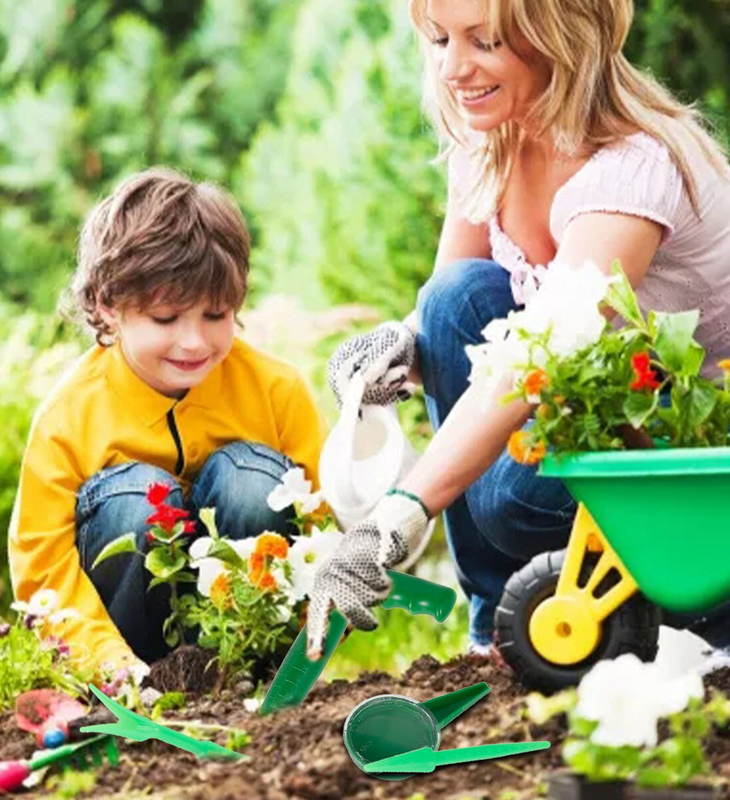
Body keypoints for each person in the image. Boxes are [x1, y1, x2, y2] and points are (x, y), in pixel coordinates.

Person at [307, 0, 730, 660]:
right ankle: (496, 627)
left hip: (693, 455)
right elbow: (455, 310)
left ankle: (691, 611)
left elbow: (536, 358)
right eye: (441, 39)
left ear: (559, 40)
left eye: (486, 42)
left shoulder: (632, 169)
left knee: (509, 499)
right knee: (454, 299)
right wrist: (397, 346)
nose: (453, 68)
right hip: (600, 399)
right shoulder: (492, 141)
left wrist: (394, 519)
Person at [9, 168, 326, 674]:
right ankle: (149, 678)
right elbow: (43, 568)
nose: (195, 342)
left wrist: (316, 629)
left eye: (216, 315)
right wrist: (108, 664)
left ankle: (244, 671)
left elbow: (325, 525)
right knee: (137, 498)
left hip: (247, 630)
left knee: (254, 483)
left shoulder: (275, 391)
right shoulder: (67, 418)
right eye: (166, 319)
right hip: (127, 655)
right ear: (109, 306)